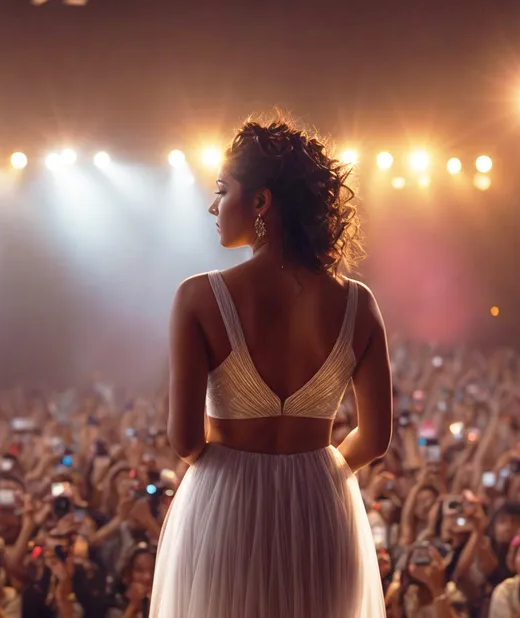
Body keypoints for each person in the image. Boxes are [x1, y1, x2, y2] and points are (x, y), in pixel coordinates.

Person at [152, 119, 393, 618]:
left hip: (227, 506)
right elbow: (374, 440)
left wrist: (248, 467)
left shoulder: (198, 297)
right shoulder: (359, 304)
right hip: (321, 508)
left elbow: (185, 442)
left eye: (223, 191)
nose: (213, 206)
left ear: (261, 203)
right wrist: (313, 473)